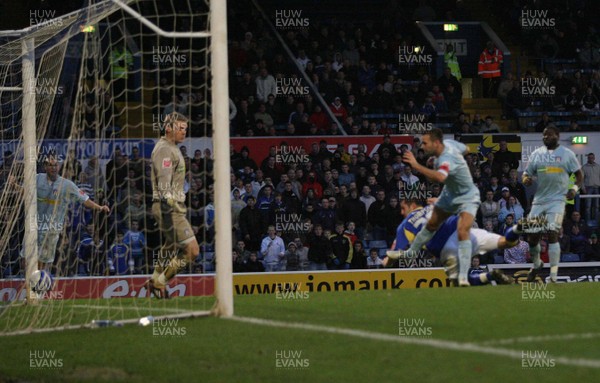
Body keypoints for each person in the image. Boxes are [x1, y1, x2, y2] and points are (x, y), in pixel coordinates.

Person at [388, 128, 480, 286]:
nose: (422, 146)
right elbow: (467, 149)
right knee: (431, 224)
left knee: (462, 230)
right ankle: (411, 253)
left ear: (436, 142)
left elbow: (438, 177)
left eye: (425, 143)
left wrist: (416, 165)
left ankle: (464, 275)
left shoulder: (446, 157)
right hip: (451, 193)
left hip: (466, 196)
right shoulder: (450, 144)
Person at [9, 157, 110, 273]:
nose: (53, 168)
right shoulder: (37, 178)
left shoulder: (67, 185)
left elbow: (85, 199)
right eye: (50, 165)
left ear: (59, 167)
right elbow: (25, 192)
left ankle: (38, 286)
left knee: (42, 264)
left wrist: (100, 207)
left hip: (51, 230)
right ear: (45, 167)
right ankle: (34, 283)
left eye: (55, 165)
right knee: (25, 262)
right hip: (34, 226)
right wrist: (14, 185)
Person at [385, 199, 514, 285]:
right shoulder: (432, 206)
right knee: (506, 242)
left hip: (444, 245)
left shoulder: (405, 225)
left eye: (402, 208)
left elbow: (393, 254)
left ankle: (491, 276)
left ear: (412, 205)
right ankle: (517, 228)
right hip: (462, 229)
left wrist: (387, 261)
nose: (401, 212)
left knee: (459, 280)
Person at [518, 126, 583, 283]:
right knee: (532, 238)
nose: (545, 137)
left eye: (549, 134)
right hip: (539, 201)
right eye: (544, 135)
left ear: (557, 136)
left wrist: (573, 189)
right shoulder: (537, 154)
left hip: (558, 200)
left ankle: (553, 275)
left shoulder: (567, 154)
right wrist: (525, 179)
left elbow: (579, 175)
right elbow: (527, 174)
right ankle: (537, 264)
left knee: (552, 233)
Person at [147, 112, 200, 298]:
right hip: (168, 207)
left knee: (170, 244)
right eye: (180, 128)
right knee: (192, 251)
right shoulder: (164, 150)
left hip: (168, 206)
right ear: (168, 128)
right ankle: (161, 282)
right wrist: (172, 203)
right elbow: (163, 182)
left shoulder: (171, 147)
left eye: (185, 129)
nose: (184, 132)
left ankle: (154, 278)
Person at [582, 153, 600, 221]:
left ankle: (596, 221)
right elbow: (581, 179)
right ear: (587, 158)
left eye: (592, 157)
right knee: (588, 207)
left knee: (597, 206)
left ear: (594, 158)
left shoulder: (598, 167)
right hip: (588, 188)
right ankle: (588, 222)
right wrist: (583, 188)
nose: (591, 159)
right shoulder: (584, 167)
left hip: (597, 188)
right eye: (589, 158)